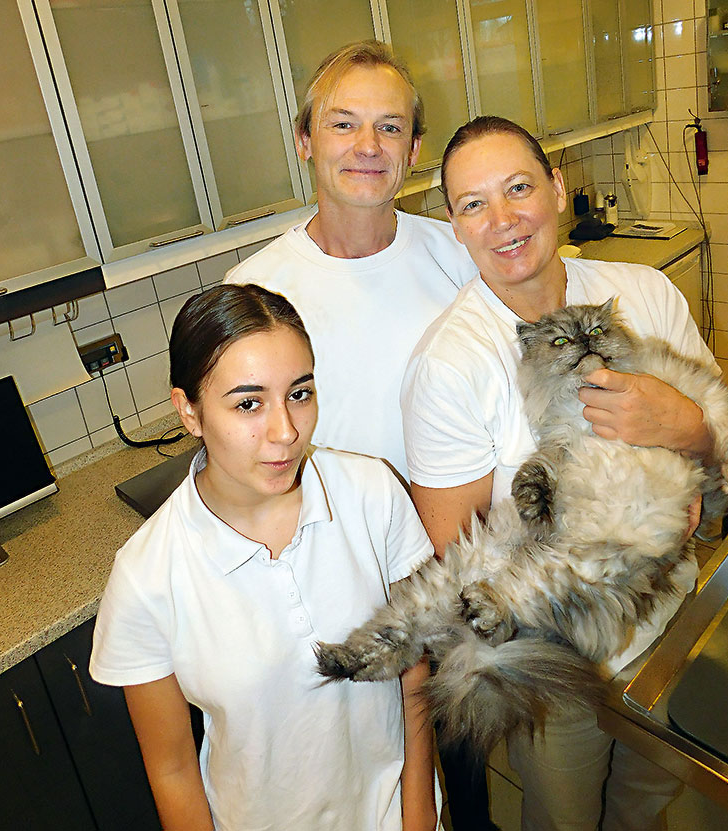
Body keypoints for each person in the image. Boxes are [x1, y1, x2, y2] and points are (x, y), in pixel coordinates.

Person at [401, 116, 718, 831]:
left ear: (556, 186)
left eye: (518, 188)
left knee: (646, 800)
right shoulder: (450, 365)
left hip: (671, 621)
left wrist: (684, 425)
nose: (503, 219)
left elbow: (719, 454)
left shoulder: (646, 294)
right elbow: (461, 559)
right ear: (454, 225)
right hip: (553, 670)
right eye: (473, 203)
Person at [224, 40, 492, 830]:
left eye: (388, 128)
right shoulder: (255, 288)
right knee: (366, 780)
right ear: (305, 138)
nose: (366, 148)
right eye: (343, 124)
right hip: (334, 586)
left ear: (414, 149)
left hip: (455, 570)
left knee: (463, 772)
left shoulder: (457, 256)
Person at [89, 284, 439, 831]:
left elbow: (414, 676)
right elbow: (173, 769)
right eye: (248, 403)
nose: (286, 431)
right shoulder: (147, 576)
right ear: (190, 411)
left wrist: (420, 817)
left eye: (299, 393)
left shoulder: (372, 494)